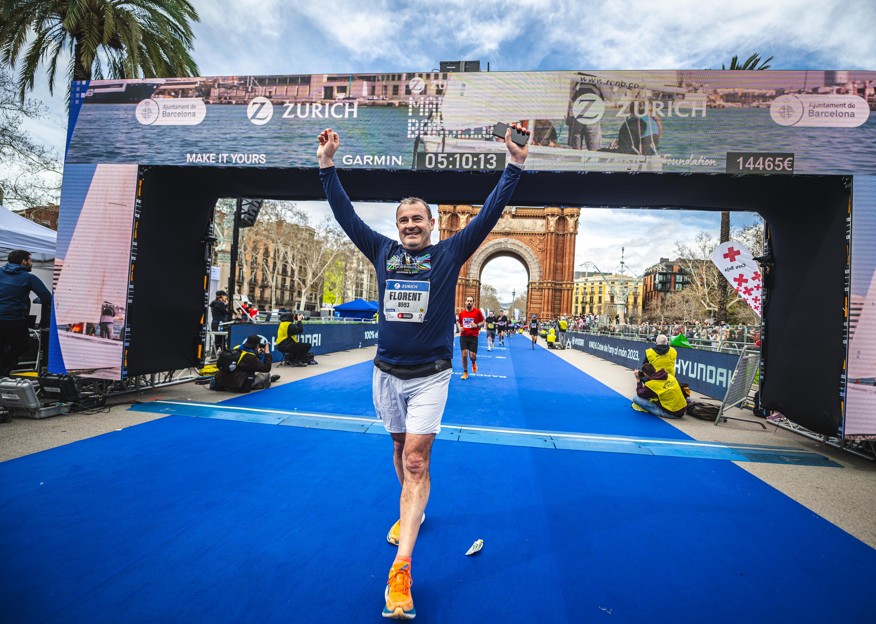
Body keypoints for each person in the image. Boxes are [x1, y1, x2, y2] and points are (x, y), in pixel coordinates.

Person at [317, 123, 528, 620]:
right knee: (397, 449)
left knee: (415, 460)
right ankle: (410, 507)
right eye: (404, 219)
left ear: (433, 224)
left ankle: (402, 568)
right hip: (385, 373)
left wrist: (513, 166)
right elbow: (344, 214)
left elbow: (491, 212)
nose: (411, 225)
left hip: (431, 374)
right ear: (398, 225)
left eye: (418, 219)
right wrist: (327, 165)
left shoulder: (450, 252)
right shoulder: (383, 251)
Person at [0, 250, 52, 381]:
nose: (31, 263)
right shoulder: (29, 277)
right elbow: (46, 297)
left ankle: (4, 372)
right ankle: (4, 368)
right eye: (30, 260)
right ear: (23, 261)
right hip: (13, 319)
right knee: (23, 345)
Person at [212, 334, 278, 392]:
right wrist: (267, 353)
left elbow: (247, 359)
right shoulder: (250, 357)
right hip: (238, 384)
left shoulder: (237, 348)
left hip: (223, 381)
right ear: (257, 345)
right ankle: (262, 383)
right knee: (266, 374)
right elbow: (266, 368)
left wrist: (258, 353)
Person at [457, 296, 485, 378]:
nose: (469, 302)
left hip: (473, 336)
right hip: (464, 336)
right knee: (464, 355)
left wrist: (476, 325)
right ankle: (465, 372)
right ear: (465, 302)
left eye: (470, 301)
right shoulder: (462, 313)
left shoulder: (477, 312)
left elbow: (483, 321)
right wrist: (459, 328)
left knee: (472, 356)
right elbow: (459, 322)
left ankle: (473, 363)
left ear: (473, 303)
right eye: (468, 301)